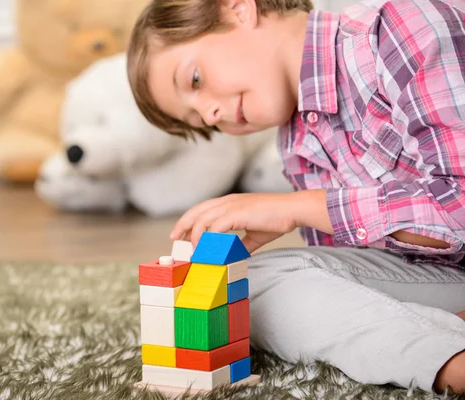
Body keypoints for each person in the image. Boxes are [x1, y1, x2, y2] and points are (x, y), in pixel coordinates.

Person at [126, 0, 465, 394]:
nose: (211, 112)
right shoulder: (296, 143)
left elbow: (458, 205)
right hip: (449, 277)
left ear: (237, 9)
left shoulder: (401, 27)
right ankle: (449, 359)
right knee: (252, 284)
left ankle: (437, 352)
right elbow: (357, 288)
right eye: (200, 119)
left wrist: (298, 208)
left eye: (195, 80)